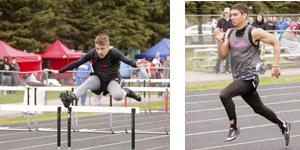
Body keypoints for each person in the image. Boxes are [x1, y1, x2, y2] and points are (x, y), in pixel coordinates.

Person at [213, 3, 291, 145]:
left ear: (244, 15)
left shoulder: (253, 32)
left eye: (235, 15)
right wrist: (219, 41)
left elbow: (275, 43)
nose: (232, 18)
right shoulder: (230, 33)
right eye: (231, 15)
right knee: (259, 108)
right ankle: (284, 125)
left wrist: (276, 66)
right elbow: (223, 56)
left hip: (250, 77)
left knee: (224, 94)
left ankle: (233, 126)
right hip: (238, 78)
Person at [45, 35, 149, 108]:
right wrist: (59, 71)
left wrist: (136, 64)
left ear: (108, 47)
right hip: (98, 78)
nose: (100, 51)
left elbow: (127, 60)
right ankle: (70, 98)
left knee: (117, 96)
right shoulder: (93, 53)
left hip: (112, 79)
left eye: (102, 49)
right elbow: (77, 63)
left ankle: (127, 91)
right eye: (98, 48)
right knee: (88, 82)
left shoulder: (114, 53)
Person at [215, 7, 234, 75]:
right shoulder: (220, 20)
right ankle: (217, 70)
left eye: (227, 13)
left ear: (229, 13)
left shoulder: (232, 20)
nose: (226, 14)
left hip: (229, 39)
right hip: (222, 40)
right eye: (225, 13)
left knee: (228, 56)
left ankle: (226, 69)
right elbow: (217, 28)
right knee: (220, 55)